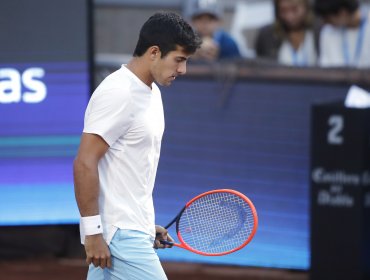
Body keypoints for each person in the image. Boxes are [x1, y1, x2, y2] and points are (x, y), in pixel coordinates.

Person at [73, 12, 201, 280]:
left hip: (128, 231)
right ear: (154, 52)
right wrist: (93, 232)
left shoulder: (152, 92)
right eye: (179, 60)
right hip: (119, 235)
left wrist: (144, 227)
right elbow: (85, 162)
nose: (182, 70)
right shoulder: (118, 92)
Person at [255, 0, 321, 67]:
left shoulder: (320, 32)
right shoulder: (267, 36)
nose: (289, 17)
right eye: (283, 11)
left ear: (306, 7)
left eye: (294, 9)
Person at [314, 0, 370, 68]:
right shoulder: (327, 32)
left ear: (343, 13)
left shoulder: (367, 28)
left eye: (328, 19)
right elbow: (325, 69)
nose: (326, 23)